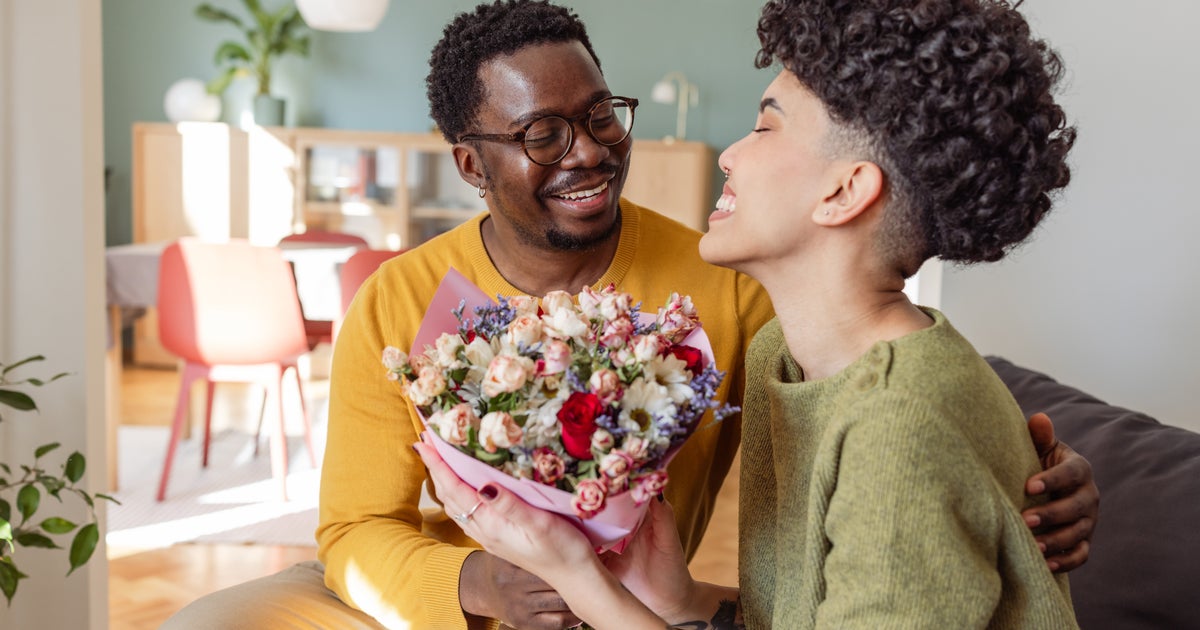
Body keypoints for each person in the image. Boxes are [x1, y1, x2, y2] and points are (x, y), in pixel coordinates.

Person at [163, 2, 1097, 628]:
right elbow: (353, 532)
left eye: (602, 114)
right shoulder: (397, 302)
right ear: (469, 166)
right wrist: (485, 582)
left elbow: (887, 389)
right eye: (540, 134)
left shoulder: (739, 305)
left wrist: (1023, 475)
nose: (591, 152)